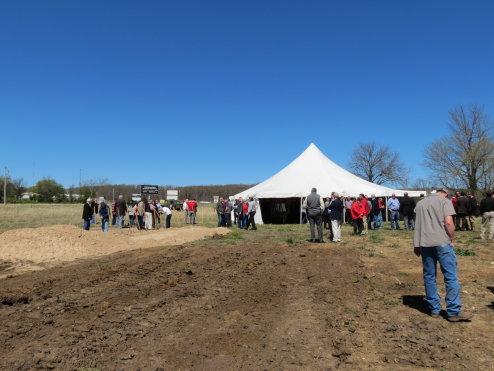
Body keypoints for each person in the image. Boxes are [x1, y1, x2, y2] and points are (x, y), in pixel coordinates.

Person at [413, 189, 473, 322]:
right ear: (445, 194)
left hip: (425, 243)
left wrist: (416, 245)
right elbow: (449, 222)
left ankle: (434, 309)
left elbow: (417, 225)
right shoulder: (445, 201)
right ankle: (453, 311)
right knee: (450, 275)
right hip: (442, 243)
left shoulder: (420, 204)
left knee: (429, 275)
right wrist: (452, 238)